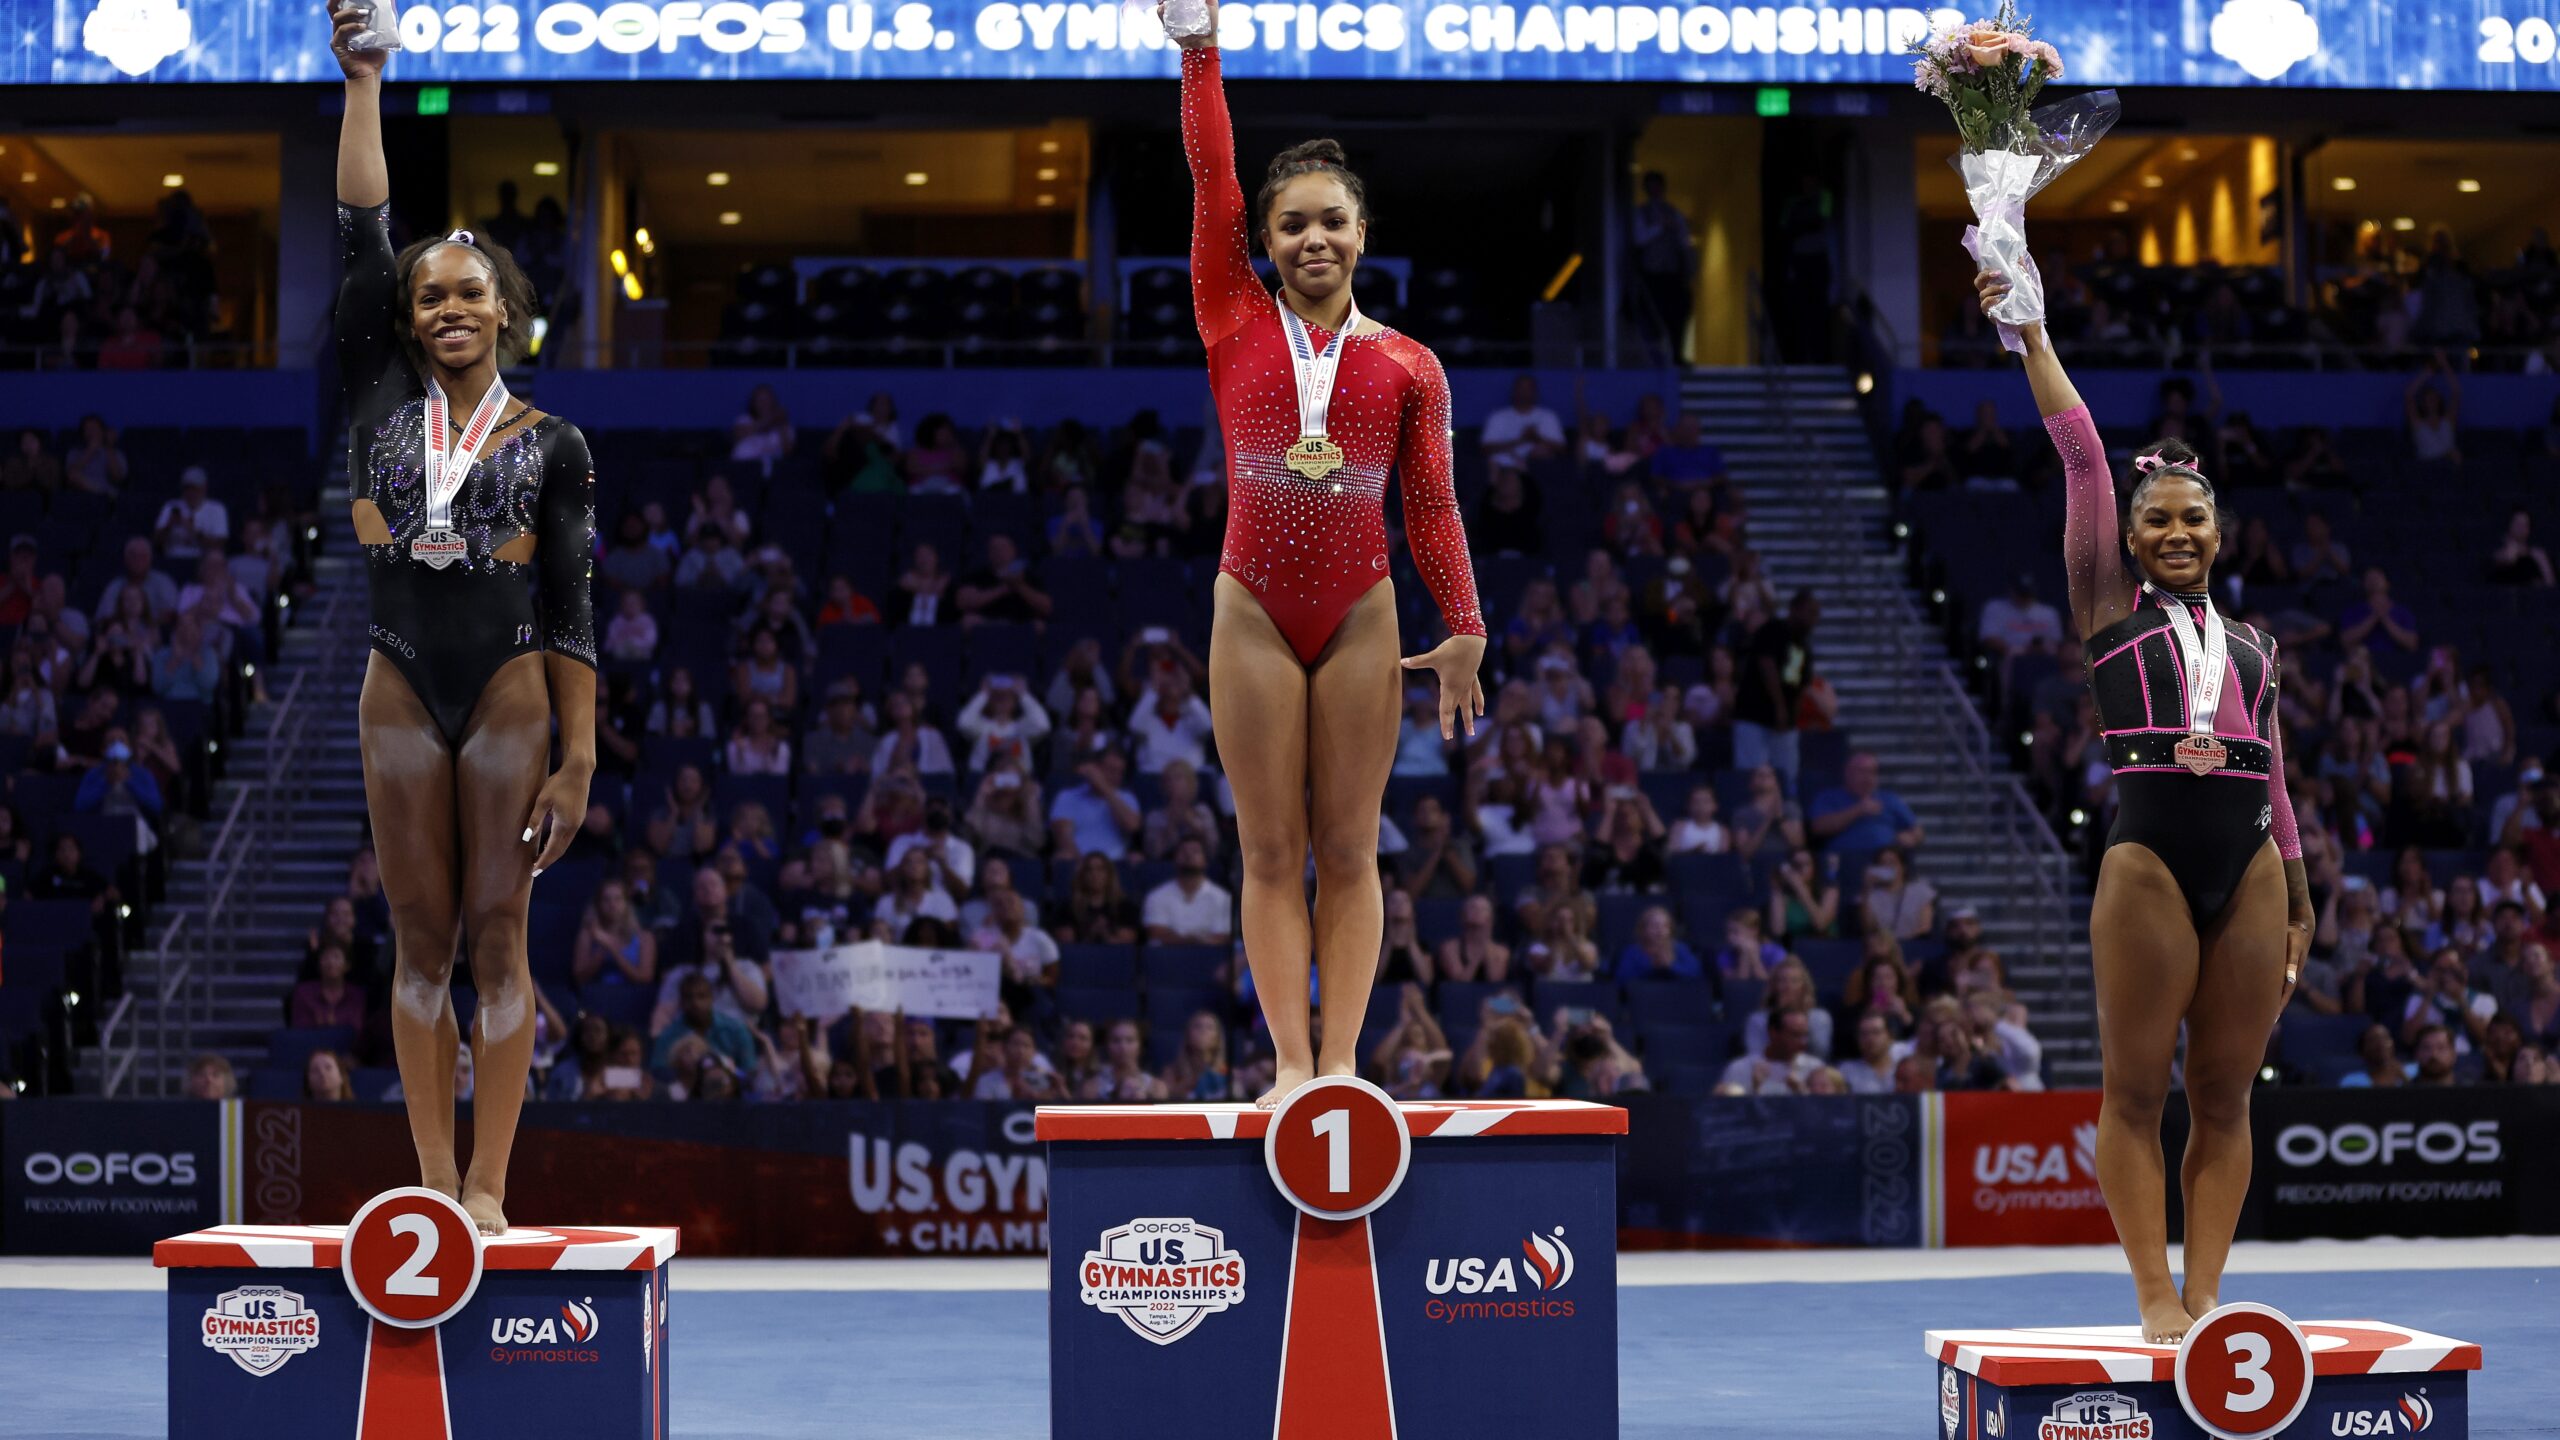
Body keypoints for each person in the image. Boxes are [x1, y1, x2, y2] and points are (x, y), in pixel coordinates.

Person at [1980, 264, 2307, 1343]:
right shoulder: (2105, 606)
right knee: (2134, 1094)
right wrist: (2029, 328)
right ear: (2128, 536)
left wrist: (2299, 901)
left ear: (2219, 533)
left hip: (2252, 865)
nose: (2176, 532)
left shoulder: (2255, 644)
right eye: (2157, 518)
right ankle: (2152, 1294)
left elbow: (2278, 777)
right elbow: (2078, 451)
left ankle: (2207, 1292)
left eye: (2193, 520)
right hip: (2150, 861)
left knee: (2225, 1096)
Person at [1172, 2, 1486, 1106]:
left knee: (1350, 851)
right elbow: (1213, 179)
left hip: (1360, 608)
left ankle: (1342, 1067)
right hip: (1251, 606)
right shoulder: (1230, 318)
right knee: (1267, 852)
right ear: (1264, 242)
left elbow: (1434, 507)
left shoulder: (1409, 366)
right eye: (1294, 223)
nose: (1314, 240)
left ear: (1362, 237)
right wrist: (1197, 47)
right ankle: (1288, 1066)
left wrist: (1465, 628)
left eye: (1333, 224)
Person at [335, 5, 598, 1234]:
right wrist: (367, 80)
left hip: (507, 689)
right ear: (407, 317)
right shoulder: (374, 397)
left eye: (471, 293)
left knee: (501, 936)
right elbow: (359, 229)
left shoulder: (554, 445)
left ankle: (492, 1185)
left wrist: (582, 755)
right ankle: (432, 1186)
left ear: (506, 313)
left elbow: (569, 604)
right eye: (429, 293)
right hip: (398, 684)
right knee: (419, 938)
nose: (448, 306)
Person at [1736, 590, 1816, 795]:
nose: (1813, 618)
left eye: (1816, 614)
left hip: (1783, 724)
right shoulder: (1773, 629)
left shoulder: (1802, 645)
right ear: (1794, 609)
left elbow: (1798, 684)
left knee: (1787, 774)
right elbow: (1767, 665)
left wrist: (1791, 715)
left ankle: (1786, 812)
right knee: (1752, 773)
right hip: (1753, 714)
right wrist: (1779, 707)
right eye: (1810, 612)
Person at [1809, 752, 1924, 855]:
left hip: (1884, 861)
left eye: (1872, 772)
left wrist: (1912, 838)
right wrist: (1858, 810)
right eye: (1861, 771)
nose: (1867, 777)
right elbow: (1818, 827)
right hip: (1845, 861)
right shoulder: (1829, 797)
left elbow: (1917, 831)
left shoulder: (1889, 799)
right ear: (1847, 773)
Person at [1144, 837, 1234, 945]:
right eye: (1183, 851)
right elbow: (1156, 932)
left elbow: (1222, 936)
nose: (1188, 855)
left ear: (1205, 860)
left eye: (1195, 851)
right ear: (1174, 859)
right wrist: (1192, 941)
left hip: (1209, 957)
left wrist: (1196, 943)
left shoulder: (1221, 897)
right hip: (1165, 957)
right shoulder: (1156, 896)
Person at [1480, 375, 1565, 471]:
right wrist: (1521, 440)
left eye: (1528, 388)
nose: (1524, 392)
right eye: (1521, 388)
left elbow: (1561, 449)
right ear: (1514, 391)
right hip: (1504, 466)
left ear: (1535, 392)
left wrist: (1536, 437)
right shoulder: (1498, 416)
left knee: (1542, 452)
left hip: (1539, 468)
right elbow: (1485, 449)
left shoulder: (1548, 416)